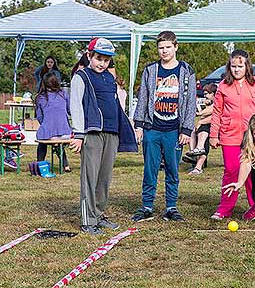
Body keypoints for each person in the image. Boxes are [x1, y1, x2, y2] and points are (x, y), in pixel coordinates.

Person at [70, 37, 137, 235]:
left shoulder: (109, 78)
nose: (102, 63)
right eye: (98, 58)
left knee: (104, 178)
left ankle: (98, 215)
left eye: (106, 60)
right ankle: (88, 220)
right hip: (92, 133)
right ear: (89, 56)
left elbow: (116, 104)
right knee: (90, 178)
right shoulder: (81, 77)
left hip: (112, 133)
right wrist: (78, 134)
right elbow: (76, 106)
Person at [131, 31, 196, 222]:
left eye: (168, 47)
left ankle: (171, 206)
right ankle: (147, 205)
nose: (164, 51)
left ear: (176, 47)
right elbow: (143, 97)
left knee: (172, 169)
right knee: (150, 169)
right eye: (161, 48)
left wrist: (186, 129)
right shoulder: (151, 70)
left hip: (174, 131)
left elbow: (190, 101)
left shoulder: (186, 71)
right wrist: (139, 125)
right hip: (153, 128)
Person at [209, 49, 255, 221]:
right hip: (229, 135)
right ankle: (225, 208)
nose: (237, 69)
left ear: (247, 66)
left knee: (252, 173)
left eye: (240, 66)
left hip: (252, 137)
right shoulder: (223, 86)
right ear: (229, 67)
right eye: (233, 66)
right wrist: (213, 135)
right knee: (231, 171)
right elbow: (217, 112)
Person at [35, 71, 72, 172]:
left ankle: (40, 164)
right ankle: (66, 165)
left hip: (48, 134)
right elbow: (70, 111)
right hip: (66, 133)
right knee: (58, 143)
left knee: (42, 144)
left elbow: (39, 117)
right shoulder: (63, 94)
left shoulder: (40, 98)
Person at [183, 83, 218, 175]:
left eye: (206, 93)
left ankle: (198, 165)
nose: (204, 96)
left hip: (218, 129)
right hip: (208, 128)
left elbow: (214, 115)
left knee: (203, 129)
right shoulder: (210, 103)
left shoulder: (218, 102)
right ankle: (194, 154)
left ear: (213, 94)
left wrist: (200, 119)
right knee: (193, 130)